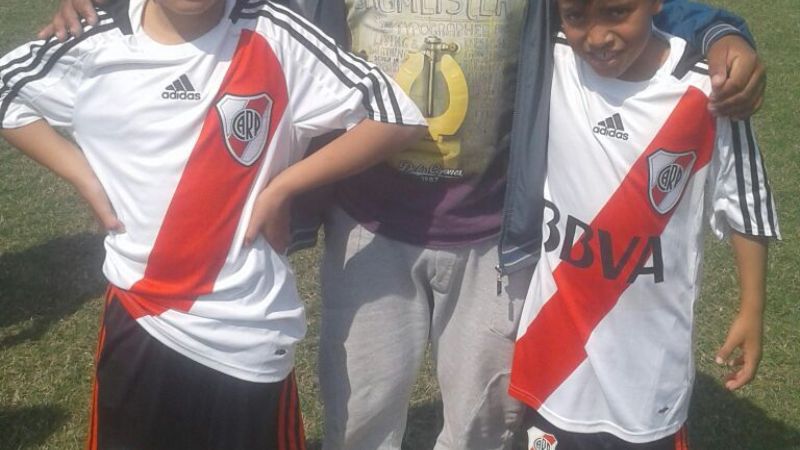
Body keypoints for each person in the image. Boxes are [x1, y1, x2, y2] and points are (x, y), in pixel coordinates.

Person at [42, 0, 768, 449]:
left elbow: (642, 9)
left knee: (484, 423)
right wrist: (107, 3)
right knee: (361, 411)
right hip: (371, 224)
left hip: (490, 231)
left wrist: (723, 34)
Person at [0, 0, 425, 448]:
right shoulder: (94, 39)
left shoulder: (276, 33)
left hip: (246, 332)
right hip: (141, 318)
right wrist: (82, 175)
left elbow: (396, 117)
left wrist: (282, 185)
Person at [508, 0, 779, 448]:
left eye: (617, 13)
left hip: (647, 376)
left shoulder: (708, 88)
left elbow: (745, 202)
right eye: (576, 17)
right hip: (552, 359)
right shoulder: (553, 57)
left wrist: (752, 308)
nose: (597, 37)